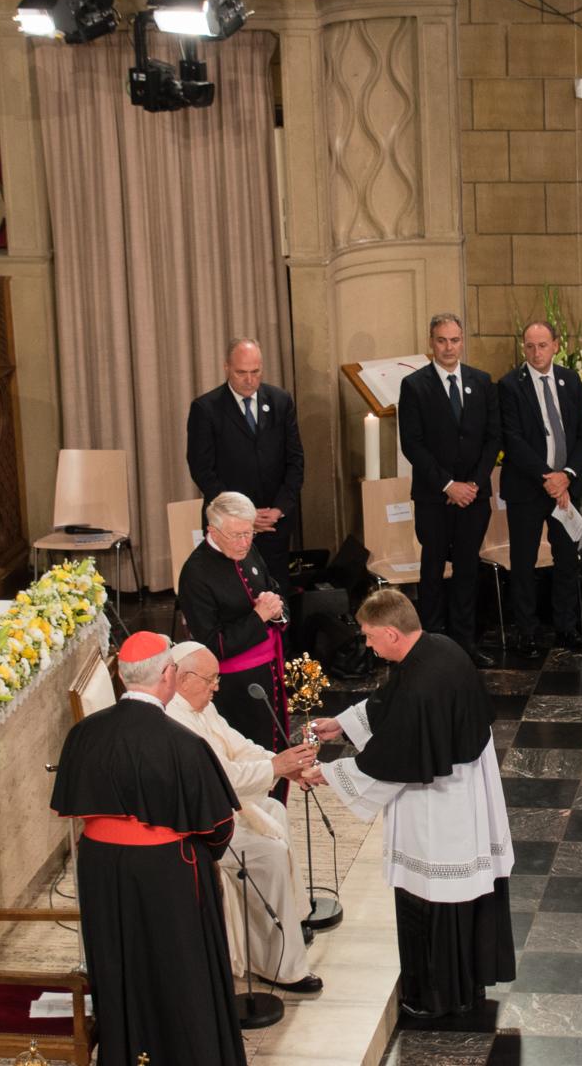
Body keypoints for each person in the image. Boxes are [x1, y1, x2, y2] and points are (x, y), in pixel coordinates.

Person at [304, 590, 515, 1021]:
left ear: (390, 633)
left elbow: (393, 758)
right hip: (463, 787)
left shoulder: (423, 682)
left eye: (368, 637)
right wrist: (340, 726)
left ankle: (437, 996)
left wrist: (328, 774)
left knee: (434, 894)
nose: (366, 645)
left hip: (441, 804)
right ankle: (463, 988)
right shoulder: (436, 647)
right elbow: (390, 703)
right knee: (456, 896)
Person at [49, 631, 245, 1066]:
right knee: (179, 968)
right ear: (169, 676)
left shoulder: (83, 734)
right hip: (168, 870)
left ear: (120, 674)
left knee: (118, 961)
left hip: (101, 868)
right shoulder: (184, 744)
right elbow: (218, 828)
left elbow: (72, 807)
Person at [162, 642, 324, 994]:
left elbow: (239, 746)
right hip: (199, 825)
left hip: (223, 807)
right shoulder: (174, 718)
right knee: (267, 854)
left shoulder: (199, 704)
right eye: (211, 679)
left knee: (276, 810)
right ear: (184, 678)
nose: (216, 686)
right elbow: (221, 779)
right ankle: (282, 966)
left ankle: (288, 925)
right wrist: (275, 768)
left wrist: (283, 766)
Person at [398, 313, 501, 667]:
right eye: (442, 340)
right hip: (434, 496)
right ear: (431, 342)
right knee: (432, 569)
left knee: (468, 569)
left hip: (474, 496)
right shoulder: (414, 386)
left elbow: (493, 438)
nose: (449, 347)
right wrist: (447, 484)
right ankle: (430, 645)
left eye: (455, 340)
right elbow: (412, 443)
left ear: (462, 341)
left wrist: (472, 483)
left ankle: (465, 644)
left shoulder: (481, 381)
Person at [178, 492, 294, 800]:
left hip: (268, 670)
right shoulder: (195, 573)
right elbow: (209, 645)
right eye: (237, 535)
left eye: (249, 533)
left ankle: (277, 812)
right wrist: (259, 617)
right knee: (249, 758)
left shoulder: (250, 550)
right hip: (234, 686)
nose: (245, 542)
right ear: (213, 532)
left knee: (277, 747)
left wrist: (278, 610)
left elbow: (273, 589)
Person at [497, 321, 582, 656]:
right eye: (529, 346)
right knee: (523, 562)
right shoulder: (510, 385)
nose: (536, 352)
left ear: (555, 344)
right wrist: (548, 477)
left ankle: (566, 627)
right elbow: (513, 439)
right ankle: (528, 632)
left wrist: (566, 474)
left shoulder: (570, 380)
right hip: (527, 487)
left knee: (567, 559)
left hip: (565, 486)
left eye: (542, 345)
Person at [187, 338, 307, 594]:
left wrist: (279, 508)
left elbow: (295, 460)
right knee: (234, 595)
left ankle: (280, 636)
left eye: (256, 372)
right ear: (226, 368)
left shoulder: (280, 401)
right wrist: (244, 516)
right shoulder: (206, 408)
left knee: (276, 594)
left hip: (274, 522)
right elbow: (202, 470)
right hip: (229, 527)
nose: (249, 380)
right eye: (242, 372)